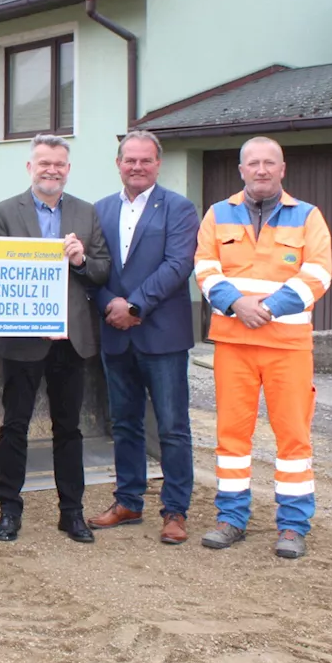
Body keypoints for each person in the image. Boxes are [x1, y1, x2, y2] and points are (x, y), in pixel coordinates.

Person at [194, 136, 332, 559]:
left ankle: (292, 526)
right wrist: (236, 303)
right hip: (233, 343)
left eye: (269, 163)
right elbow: (204, 267)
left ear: (282, 168)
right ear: (241, 170)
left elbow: (318, 275)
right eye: (252, 163)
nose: (261, 170)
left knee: (293, 437)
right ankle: (231, 518)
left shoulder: (308, 217)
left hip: (287, 346)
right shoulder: (218, 214)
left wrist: (268, 308)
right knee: (231, 436)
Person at [0, 134, 110, 544]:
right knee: (15, 426)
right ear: (30, 167)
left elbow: (101, 271)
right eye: (44, 163)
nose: (51, 170)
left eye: (59, 164)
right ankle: (9, 509)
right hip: (23, 339)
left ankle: (71, 512)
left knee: (68, 428)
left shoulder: (86, 213)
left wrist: (80, 261)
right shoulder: (3, 213)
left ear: (68, 169)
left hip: (70, 339)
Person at [87, 131, 200, 544]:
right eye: (129, 160)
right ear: (118, 163)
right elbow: (92, 269)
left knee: (172, 427)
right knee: (125, 424)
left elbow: (178, 264)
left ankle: (175, 510)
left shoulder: (179, 208)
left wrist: (134, 305)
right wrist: (107, 305)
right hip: (115, 334)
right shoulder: (98, 210)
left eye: (145, 160)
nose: (137, 167)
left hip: (161, 334)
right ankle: (128, 500)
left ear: (158, 164)